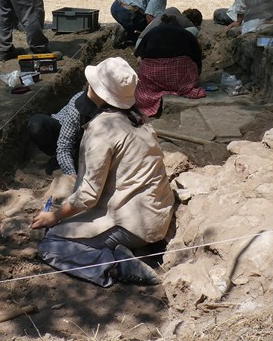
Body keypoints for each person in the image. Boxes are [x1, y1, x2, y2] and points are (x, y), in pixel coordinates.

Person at [30, 58, 175, 287]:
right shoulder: (139, 120)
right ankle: (123, 252)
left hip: (133, 225)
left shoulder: (101, 128)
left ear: (99, 91)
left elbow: (88, 195)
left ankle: (115, 265)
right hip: (155, 215)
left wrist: (54, 216)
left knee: (51, 242)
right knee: (69, 221)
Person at [134, 9, 205, 117]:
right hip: (180, 80)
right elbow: (197, 61)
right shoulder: (187, 34)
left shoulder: (152, 32)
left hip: (153, 79)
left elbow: (139, 58)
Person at [27, 87, 101, 175]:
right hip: (65, 128)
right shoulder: (78, 105)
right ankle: (57, 157)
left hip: (91, 139)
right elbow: (64, 147)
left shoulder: (115, 108)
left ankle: (75, 157)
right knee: (36, 125)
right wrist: (71, 177)